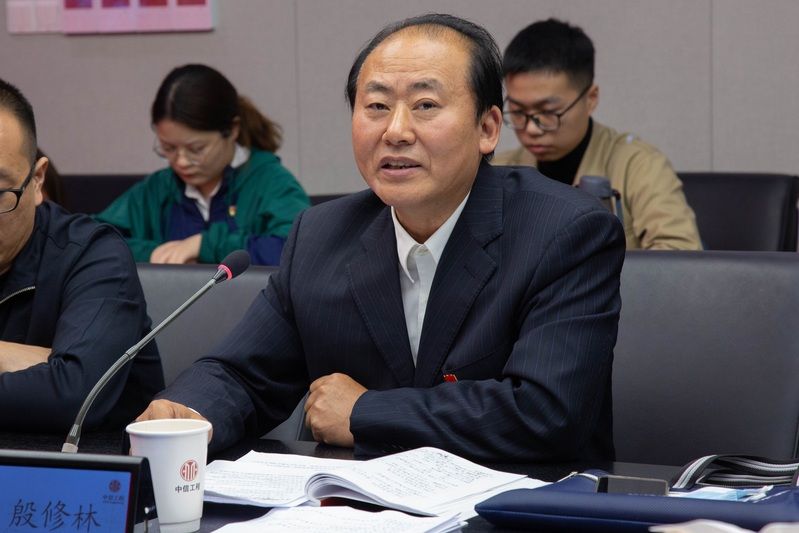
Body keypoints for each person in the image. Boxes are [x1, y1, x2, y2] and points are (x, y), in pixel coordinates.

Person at [137, 13, 625, 463]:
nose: (395, 130)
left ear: (487, 127)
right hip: (362, 507)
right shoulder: (321, 237)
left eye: (425, 105)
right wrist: (187, 413)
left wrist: (365, 412)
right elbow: (245, 374)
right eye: (376, 106)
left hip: (519, 504)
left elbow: (545, 412)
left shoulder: (564, 232)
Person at [0, 78, 164, 431]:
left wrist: (60, 373)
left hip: (86, 462)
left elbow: (73, 394)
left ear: (38, 179)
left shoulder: (95, 255)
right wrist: (37, 361)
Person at [494, 19, 701, 250]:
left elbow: (681, 256)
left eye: (549, 112)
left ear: (590, 98)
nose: (532, 129)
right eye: (518, 112)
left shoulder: (638, 165)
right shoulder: (497, 172)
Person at [97, 64, 310, 265]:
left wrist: (205, 246)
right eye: (168, 148)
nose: (181, 161)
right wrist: (153, 254)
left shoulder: (271, 183)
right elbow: (94, 241)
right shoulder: (158, 189)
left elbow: (301, 252)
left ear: (232, 130)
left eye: (196, 149)